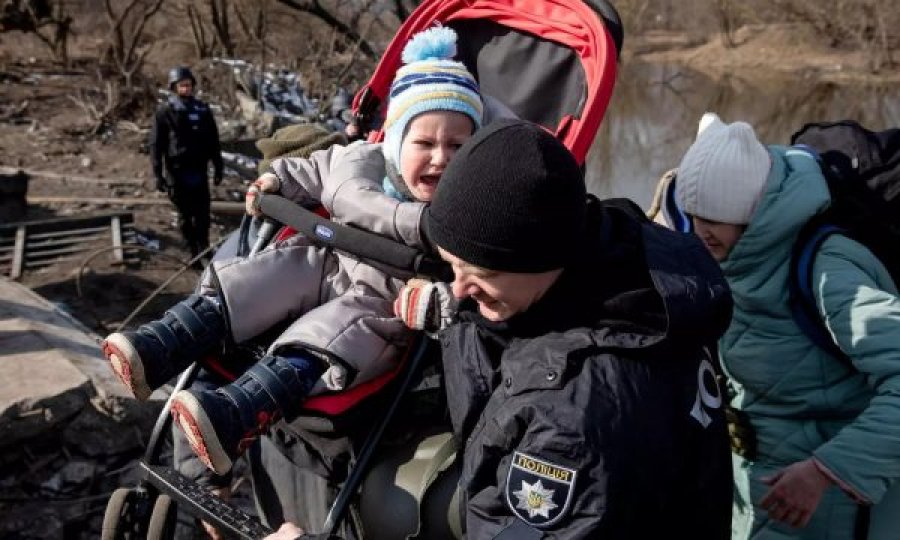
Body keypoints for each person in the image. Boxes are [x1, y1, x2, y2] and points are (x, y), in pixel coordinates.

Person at [271, 119, 735, 538]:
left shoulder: (573, 419)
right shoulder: (615, 254)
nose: (458, 289)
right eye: (451, 267)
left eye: (479, 273)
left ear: (539, 257)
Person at [101, 27, 483, 479]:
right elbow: (312, 168)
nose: (440, 158)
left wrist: (439, 301)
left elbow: (476, 279)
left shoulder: (466, 213)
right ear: (396, 140)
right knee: (263, 274)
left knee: (334, 332)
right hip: (326, 258)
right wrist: (275, 181)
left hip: (385, 295)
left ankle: (234, 417)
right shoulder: (359, 159)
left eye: (457, 146)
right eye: (425, 143)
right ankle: (162, 345)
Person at [674, 112, 900, 539]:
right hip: (755, 489)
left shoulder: (828, 271)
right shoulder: (726, 256)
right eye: (692, 216)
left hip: (828, 506)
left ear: (753, 213)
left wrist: (826, 471)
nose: (699, 234)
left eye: (714, 220)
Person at [150, 66, 224, 261]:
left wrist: (218, 166)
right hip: (177, 171)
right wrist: (158, 174)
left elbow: (213, 141)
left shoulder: (202, 110)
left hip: (199, 170)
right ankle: (192, 253)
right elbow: (156, 145)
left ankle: (204, 249)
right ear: (174, 87)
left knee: (203, 215)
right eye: (182, 85)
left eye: (189, 85)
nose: (186, 88)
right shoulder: (165, 112)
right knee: (185, 216)